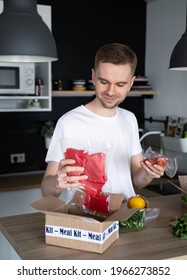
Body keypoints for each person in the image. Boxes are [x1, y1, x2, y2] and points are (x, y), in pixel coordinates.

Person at [41, 42, 165, 199]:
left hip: (126, 215)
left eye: (120, 84)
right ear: (93, 77)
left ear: (131, 83)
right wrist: (58, 182)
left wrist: (149, 172)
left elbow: (138, 181)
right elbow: (46, 189)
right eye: (104, 82)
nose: (111, 91)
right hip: (86, 218)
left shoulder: (129, 119)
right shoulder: (69, 122)